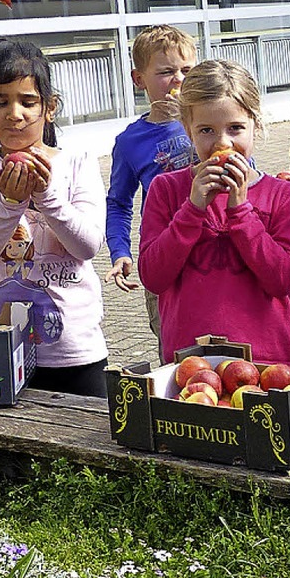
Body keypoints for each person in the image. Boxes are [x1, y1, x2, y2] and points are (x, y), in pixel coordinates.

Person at [138, 59, 290, 367]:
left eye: (236, 128)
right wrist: (192, 209)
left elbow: (282, 281)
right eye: (206, 130)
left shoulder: (282, 194)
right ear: (188, 130)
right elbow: (153, 276)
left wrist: (240, 211)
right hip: (189, 362)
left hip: (266, 363)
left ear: (256, 124)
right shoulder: (166, 189)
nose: (222, 142)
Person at [0, 38, 108, 397]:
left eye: (28, 101)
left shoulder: (77, 162)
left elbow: (87, 245)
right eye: (0, 102)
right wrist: (9, 204)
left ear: (50, 108)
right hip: (2, 348)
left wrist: (45, 196)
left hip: (75, 350)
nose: (14, 114)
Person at [104, 24, 197, 351]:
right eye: (166, 71)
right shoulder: (130, 141)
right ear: (138, 78)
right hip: (163, 255)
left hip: (212, 247)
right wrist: (119, 251)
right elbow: (118, 202)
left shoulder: (209, 122)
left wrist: (190, 121)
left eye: (187, 70)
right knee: (173, 348)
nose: (179, 79)